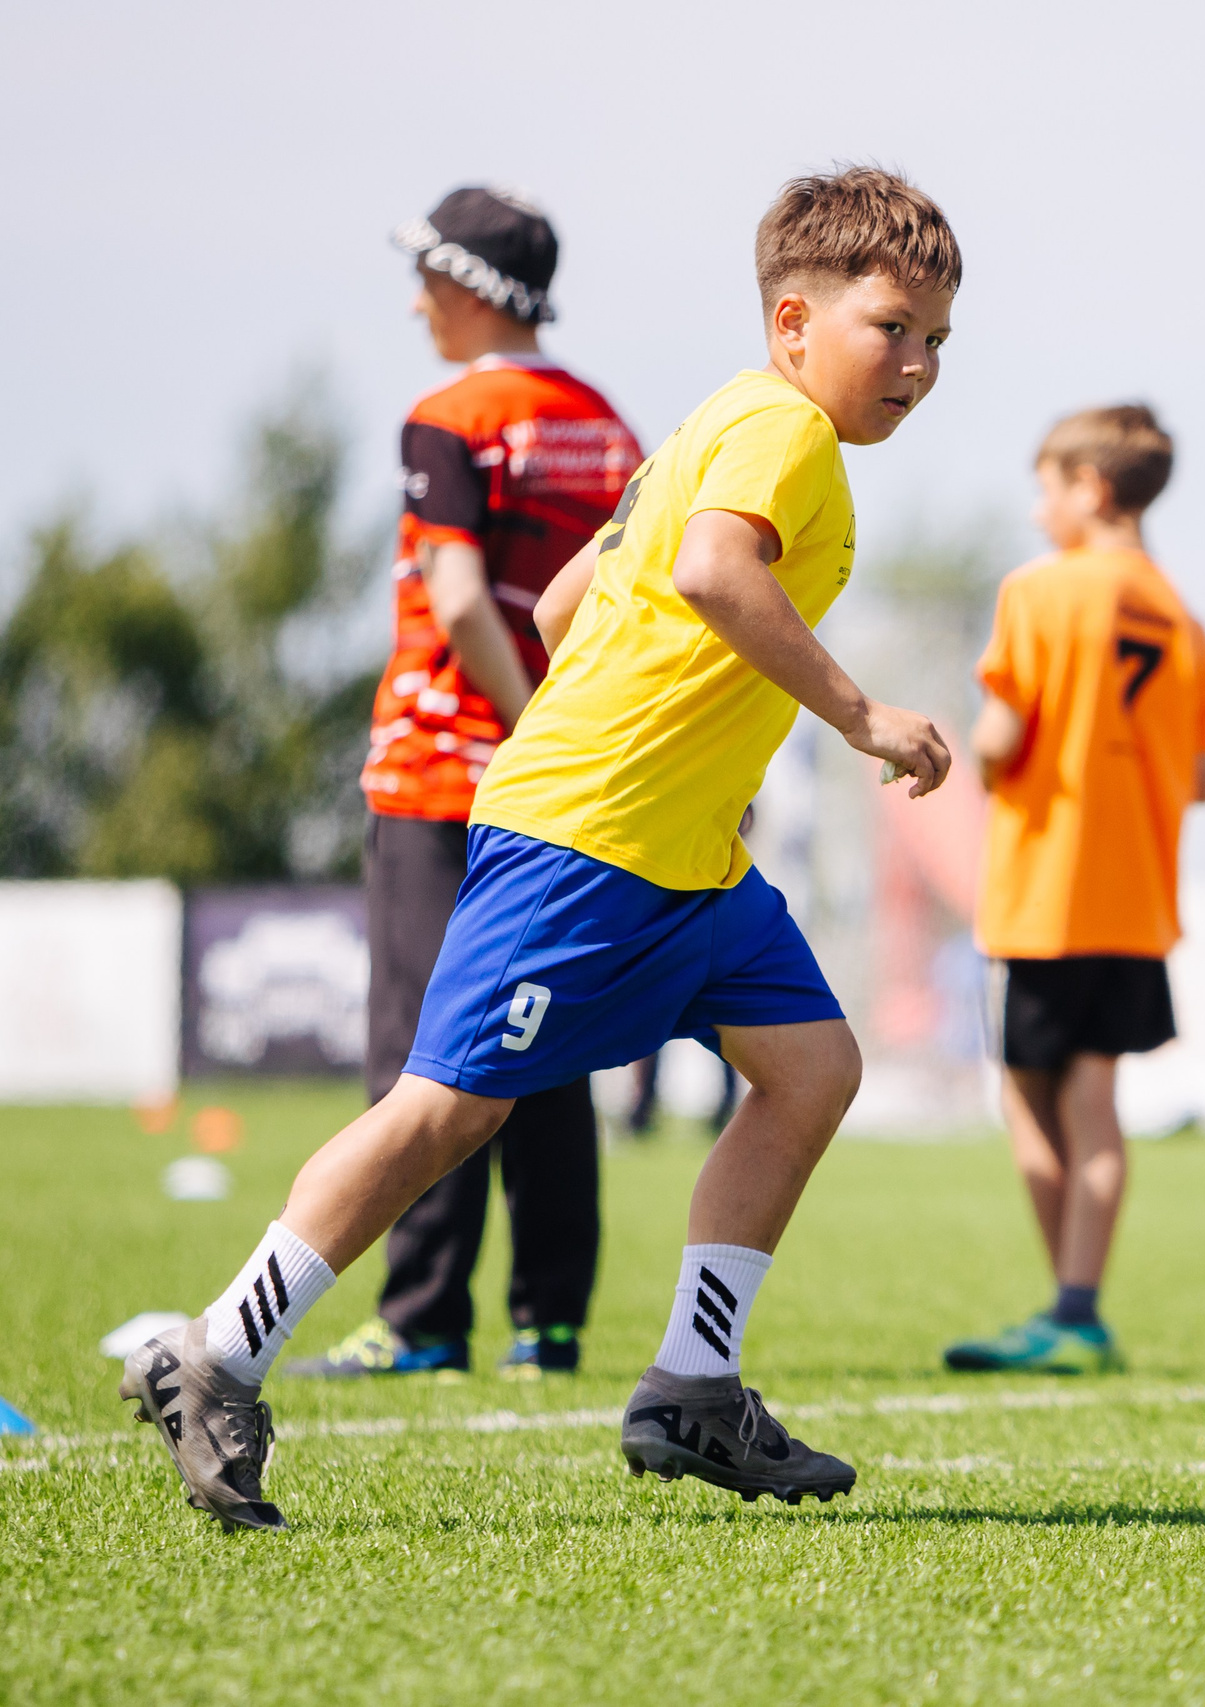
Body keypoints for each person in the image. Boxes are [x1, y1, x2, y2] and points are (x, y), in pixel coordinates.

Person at [120, 166, 962, 1532]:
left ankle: (693, 1380)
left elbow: (575, 599)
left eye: (937, 340)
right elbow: (709, 574)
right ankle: (217, 1348)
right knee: (447, 1109)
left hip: (681, 850)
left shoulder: (718, 423)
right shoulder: (785, 434)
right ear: (796, 320)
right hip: (590, 841)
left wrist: (684, 740)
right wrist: (860, 713)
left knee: (811, 1068)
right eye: (893, 328)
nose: (918, 364)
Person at [286, 186, 641, 1383]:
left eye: (430, 281)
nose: (416, 305)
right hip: (581, 792)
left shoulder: (451, 413)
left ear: (471, 289)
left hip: (451, 773)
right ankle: (551, 1323)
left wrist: (526, 725)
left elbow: (452, 599)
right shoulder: (609, 426)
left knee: (422, 1053)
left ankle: (425, 1320)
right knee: (545, 1047)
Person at [941, 405, 1205, 1375]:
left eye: (1047, 489)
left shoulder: (1040, 594)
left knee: (1031, 1103)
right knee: (1096, 1101)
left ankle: (1070, 1311)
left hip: (1044, 890)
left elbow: (995, 740)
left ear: (1092, 489)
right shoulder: (1180, 614)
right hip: (1135, 895)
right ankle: (1078, 1305)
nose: (1037, 513)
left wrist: (988, 767)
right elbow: (1200, 776)